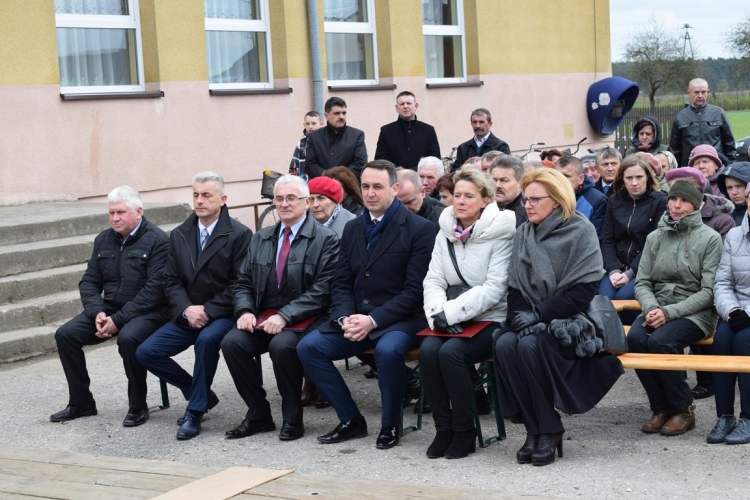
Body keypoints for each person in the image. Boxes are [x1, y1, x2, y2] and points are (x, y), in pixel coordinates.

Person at [297, 160, 436, 450]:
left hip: (401, 319)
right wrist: (345, 317)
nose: (370, 193)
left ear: (394, 189)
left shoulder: (420, 229)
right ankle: (351, 420)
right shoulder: (352, 228)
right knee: (308, 347)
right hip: (358, 317)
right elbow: (341, 282)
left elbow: (414, 292)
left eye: (377, 187)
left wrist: (372, 321)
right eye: (365, 186)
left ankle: (390, 425)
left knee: (387, 350)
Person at [493, 168, 623, 466]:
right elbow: (515, 285)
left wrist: (539, 314)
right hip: (529, 316)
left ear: (556, 199)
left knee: (530, 346)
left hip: (573, 321)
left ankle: (548, 429)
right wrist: (520, 316)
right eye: (525, 199)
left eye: (535, 199)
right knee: (504, 344)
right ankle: (533, 428)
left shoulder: (580, 230)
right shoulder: (524, 233)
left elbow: (583, 290)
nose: (527, 205)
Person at [220, 175, 339, 442]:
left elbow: (323, 290)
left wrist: (285, 315)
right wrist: (244, 311)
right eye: (279, 199)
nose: (284, 204)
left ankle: (292, 417)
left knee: (282, 346)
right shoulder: (261, 238)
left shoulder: (326, 238)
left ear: (307, 202)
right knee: (232, 343)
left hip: (309, 316)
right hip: (266, 315)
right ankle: (259, 414)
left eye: (291, 198)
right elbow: (243, 282)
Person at [136, 172, 252, 440]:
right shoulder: (180, 233)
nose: (199, 201)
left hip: (223, 314)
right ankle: (199, 393)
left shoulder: (239, 234)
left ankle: (195, 411)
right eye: (196, 195)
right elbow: (170, 279)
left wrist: (207, 310)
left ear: (222, 199)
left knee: (207, 340)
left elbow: (241, 282)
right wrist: (187, 309)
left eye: (206, 195)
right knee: (146, 352)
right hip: (187, 313)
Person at [50, 186, 170, 427]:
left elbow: (154, 292)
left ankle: (138, 406)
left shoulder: (158, 241)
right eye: (111, 213)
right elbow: (89, 282)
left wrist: (118, 320)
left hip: (149, 311)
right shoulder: (103, 240)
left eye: (121, 212)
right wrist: (98, 313)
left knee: (128, 338)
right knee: (66, 334)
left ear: (139, 211)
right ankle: (81, 402)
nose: (115, 218)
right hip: (110, 309)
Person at [421, 169, 515, 459]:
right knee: (428, 351)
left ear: (485, 200)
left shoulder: (502, 232)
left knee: (452, 354)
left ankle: (465, 430)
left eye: (469, 196)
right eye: (457, 195)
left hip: (492, 317)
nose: (460, 201)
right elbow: (434, 279)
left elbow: (494, 288)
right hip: (450, 314)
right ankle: (443, 429)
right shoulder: (446, 230)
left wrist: (450, 314)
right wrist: (437, 314)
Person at [628, 179, 722, 436]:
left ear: (697, 205)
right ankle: (660, 408)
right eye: (673, 199)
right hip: (657, 307)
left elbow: (708, 292)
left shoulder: (710, 239)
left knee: (661, 341)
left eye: (684, 201)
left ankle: (683, 409)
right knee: (635, 339)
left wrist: (669, 313)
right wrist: (651, 308)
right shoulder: (655, 238)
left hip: (696, 312)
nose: (677, 205)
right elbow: (642, 282)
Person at [710, 185, 750, 445]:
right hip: (736, 309)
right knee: (721, 341)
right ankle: (724, 415)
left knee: (744, 342)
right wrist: (731, 310)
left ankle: (748, 416)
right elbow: (723, 282)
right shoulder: (735, 235)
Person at [599, 153, 667, 300]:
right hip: (616, 265)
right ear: (622, 179)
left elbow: (655, 245)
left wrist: (630, 273)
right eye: (629, 178)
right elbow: (607, 239)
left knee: (623, 298)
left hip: (645, 268)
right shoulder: (614, 201)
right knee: (603, 299)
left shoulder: (660, 201)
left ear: (647, 177)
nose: (634, 183)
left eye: (639, 177)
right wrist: (613, 270)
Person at [669, 78, 737, 167]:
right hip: (690, 168)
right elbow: (675, 149)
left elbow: (729, 144)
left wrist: (731, 167)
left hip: (715, 167)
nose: (700, 95)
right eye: (696, 92)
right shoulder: (681, 117)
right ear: (689, 93)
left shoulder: (719, 113)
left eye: (703, 92)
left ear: (708, 92)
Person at [665, 167, 735, 242]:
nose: (676, 205)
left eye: (685, 199)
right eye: (673, 198)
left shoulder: (722, 221)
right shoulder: (666, 219)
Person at [374, 91, 440, 170]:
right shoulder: (386, 131)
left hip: (421, 176)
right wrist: (398, 170)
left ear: (416, 106)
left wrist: (415, 170)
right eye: (402, 104)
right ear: (397, 108)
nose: (405, 106)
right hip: (395, 175)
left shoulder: (428, 130)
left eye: (408, 103)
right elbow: (381, 159)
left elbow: (435, 158)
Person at [305, 97, 368, 179]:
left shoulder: (357, 135)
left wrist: (339, 178)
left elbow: (360, 163)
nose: (341, 117)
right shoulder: (314, 137)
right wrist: (326, 176)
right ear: (326, 115)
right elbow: (310, 165)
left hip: (348, 185)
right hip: (323, 184)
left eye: (344, 113)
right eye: (337, 113)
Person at [555, 155, 608, 237]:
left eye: (566, 176)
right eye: (557, 176)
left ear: (581, 178)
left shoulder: (598, 200)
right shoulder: (547, 196)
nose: (561, 180)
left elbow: (596, 236)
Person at [490, 155, 527, 227]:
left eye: (504, 180)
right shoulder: (482, 208)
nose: (497, 185)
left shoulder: (527, 214)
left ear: (520, 183)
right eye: (494, 180)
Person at [289, 111, 323, 178]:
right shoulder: (301, 144)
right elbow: (294, 166)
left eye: (314, 123)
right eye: (307, 124)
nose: (310, 126)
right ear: (304, 125)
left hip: (321, 181)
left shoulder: (325, 142)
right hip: (304, 182)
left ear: (321, 124)